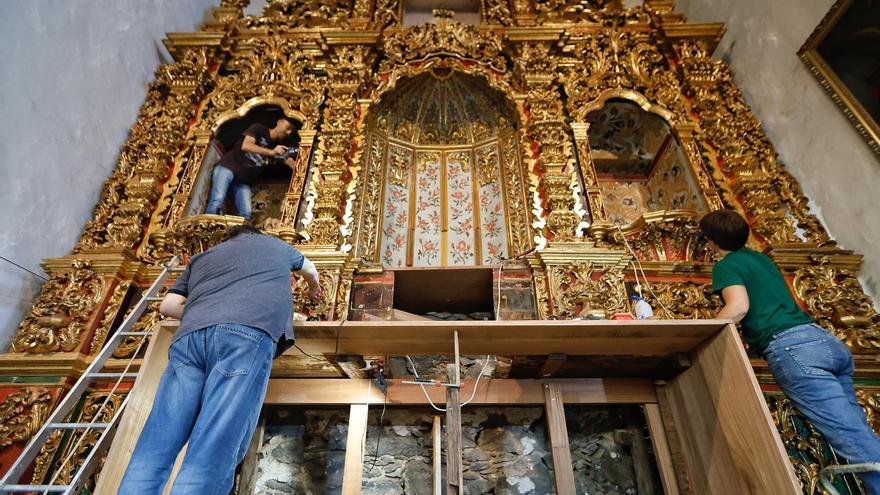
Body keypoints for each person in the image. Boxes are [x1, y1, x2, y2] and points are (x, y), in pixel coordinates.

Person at [119, 224, 321, 494]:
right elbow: (310, 269)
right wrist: (313, 290)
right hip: (244, 337)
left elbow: (167, 306)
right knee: (214, 440)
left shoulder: (202, 257)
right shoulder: (276, 246)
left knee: (159, 439)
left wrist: (207, 311)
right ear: (259, 235)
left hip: (189, 340)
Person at [700, 209, 880, 493]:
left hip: (794, 349)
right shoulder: (761, 259)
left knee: (851, 438)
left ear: (710, 240)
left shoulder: (728, 264)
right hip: (825, 342)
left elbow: (739, 307)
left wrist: (703, 332)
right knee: (859, 429)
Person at [205, 117, 297, 220]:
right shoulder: (259, 129)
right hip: (228, 167)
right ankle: (207, 227)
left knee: (246, 214)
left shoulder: (276, 148)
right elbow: (246, 145)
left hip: (242, 180)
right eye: (288, 128)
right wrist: (271, 152)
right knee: (217, 200)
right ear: (279, 122)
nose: (288, 133)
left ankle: (240, 231)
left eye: (291, 131)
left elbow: (291, 163)